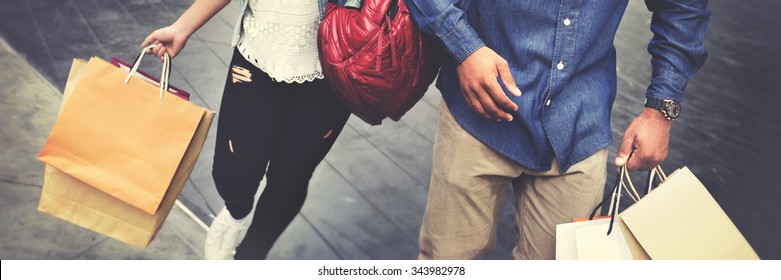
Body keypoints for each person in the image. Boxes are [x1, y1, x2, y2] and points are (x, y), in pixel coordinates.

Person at [406, 0, 710, 259]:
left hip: (578, 124)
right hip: (477, 115)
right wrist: (464, 47)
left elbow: (682, 8)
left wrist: (660, 111)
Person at [142, 0, 360, 259]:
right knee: (232, 172)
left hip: (340, 60)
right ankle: (236, 213)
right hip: (260, 47)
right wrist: (182, 28)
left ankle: (251, 256)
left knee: (290, 179)